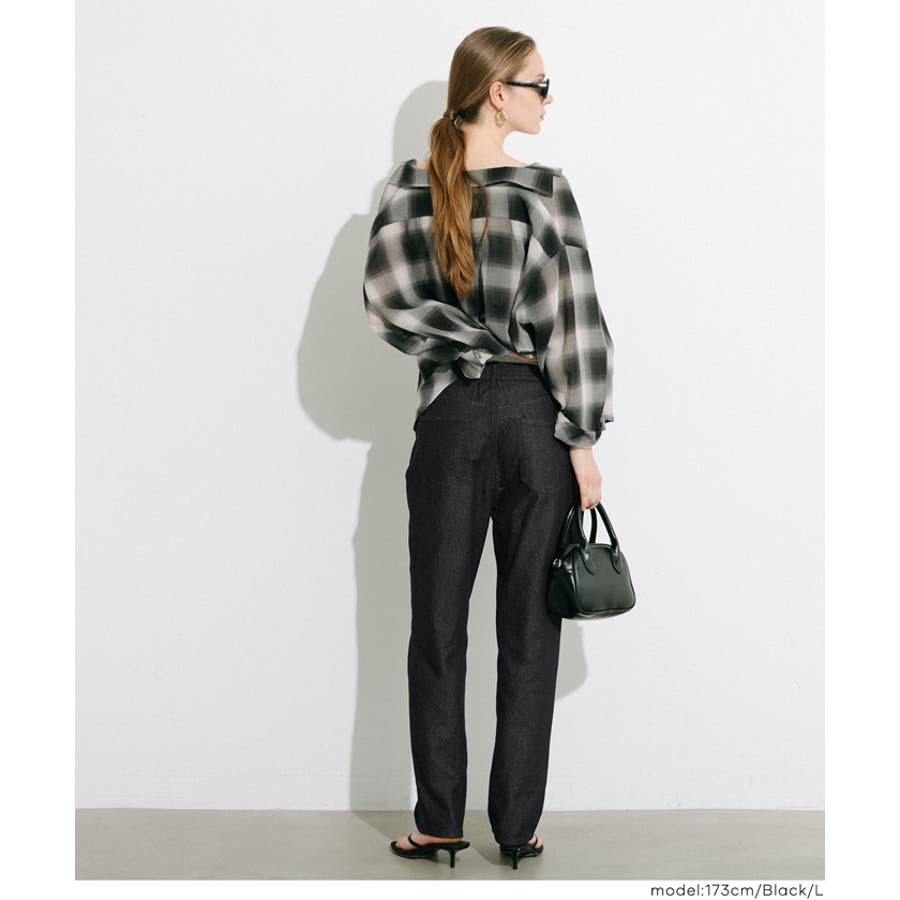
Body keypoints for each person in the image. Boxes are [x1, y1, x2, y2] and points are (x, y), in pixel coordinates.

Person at [362, 26, 614, 870]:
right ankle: (516, 828)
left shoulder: (409, 187)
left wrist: (465, 346)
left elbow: (388, 300)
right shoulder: (545, 191)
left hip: (453, 416)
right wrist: (582, 438)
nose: (548, 97)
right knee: (529, 631)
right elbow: (576, 319)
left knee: (436, 624)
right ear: (498, 93)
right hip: (537, 417)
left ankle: (439, 821)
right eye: (539, 83)